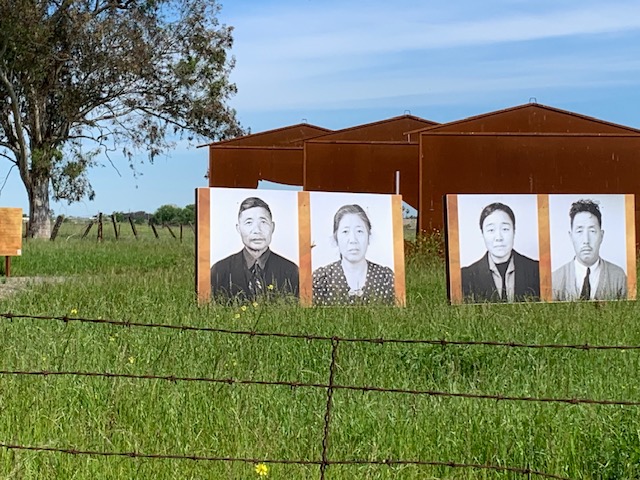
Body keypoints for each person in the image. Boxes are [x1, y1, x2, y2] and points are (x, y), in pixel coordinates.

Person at [210, 196, 299, 301]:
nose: (257, 230)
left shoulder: (291, 271)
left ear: (272, 227)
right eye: (249, 222)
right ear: (238, 228)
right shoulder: (219, 270)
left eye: (263, 222)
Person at [312, 204, 395, 306]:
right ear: (336, 238)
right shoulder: (321, 280)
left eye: (359, 231)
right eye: (345, 231)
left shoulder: (386, 278)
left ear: (368, 236)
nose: (353, 240)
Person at [461, 202, 540, 303]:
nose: (499, 237)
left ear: (514, 231)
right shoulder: (465, 276)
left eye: (505, 229)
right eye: (491, 230)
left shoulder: (536, 270)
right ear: (482, 234)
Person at [552, 199, 627, 301]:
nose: (586, 240)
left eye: (592, 231)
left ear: (601, 236)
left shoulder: (618, 276)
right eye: (579, 231)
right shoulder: (556, 279)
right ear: (571, 236)